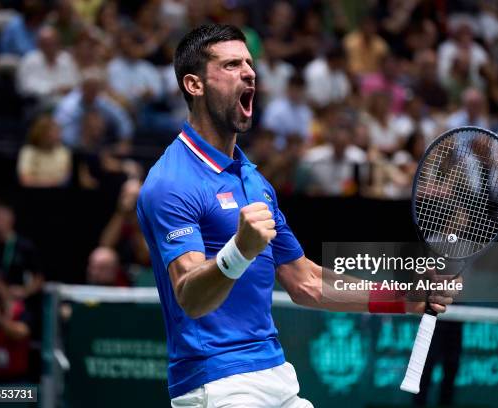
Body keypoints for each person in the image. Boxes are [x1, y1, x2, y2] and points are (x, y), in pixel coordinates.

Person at [137, 24, 458, 407]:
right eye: (231, 65)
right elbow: (190, 296)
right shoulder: (171, 182)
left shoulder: (254, 181)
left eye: (249, 63)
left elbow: (306, 281)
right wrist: (240, 251)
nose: (249, 72)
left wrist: (406, 298)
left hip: (276, 374)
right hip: (218, 383)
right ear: (194, 85)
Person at [17, 114, 72, 187]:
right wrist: (50, 183)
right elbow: (25, 180)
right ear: (42, 133)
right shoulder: (28, 151)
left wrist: (38, 181)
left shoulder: (64, 152)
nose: (59, 136)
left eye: (58, 132)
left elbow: (65, 179)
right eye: (54, 132)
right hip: (32, 194)